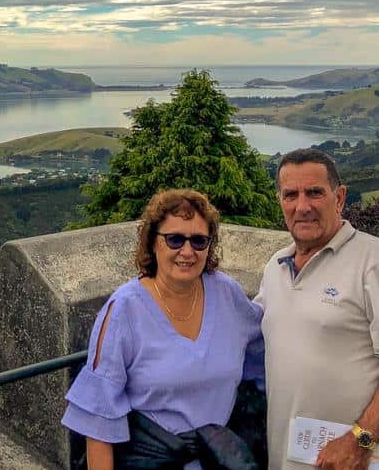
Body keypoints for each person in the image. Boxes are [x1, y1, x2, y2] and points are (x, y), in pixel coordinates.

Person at [62, 188, 266, 470]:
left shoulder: (227, 295)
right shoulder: (124, 309)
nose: (187, 251)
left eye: (198, 241)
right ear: (153, 242)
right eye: (174, 239)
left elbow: (266, 359)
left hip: (215, 460)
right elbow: (98, 420)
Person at [256, 148, 379, 470]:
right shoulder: (275, 267)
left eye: (314, 193)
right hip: (288, 460)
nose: (302, 206)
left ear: (339, 198)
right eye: (290, 194)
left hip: (358, 461)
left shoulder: (377, 261)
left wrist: (360, 441)